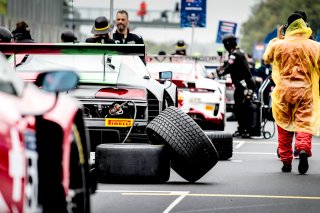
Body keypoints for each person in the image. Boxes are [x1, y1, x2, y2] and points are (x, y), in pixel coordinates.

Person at [263, 12, 320, 174]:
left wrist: (279, 38)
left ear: (288, 27)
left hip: (283, 92)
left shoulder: (279, 44)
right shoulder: (314, 46)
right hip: (306, 92)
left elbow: (267, 58)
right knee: (303, 124)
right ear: (304, 26)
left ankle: (286, 161)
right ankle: (302, 149)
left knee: (284, 126)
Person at [217, 34, 255, 138]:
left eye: (225, 43)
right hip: (243, 85)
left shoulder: (235, 54)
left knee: (244, 107)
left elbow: (229, 66)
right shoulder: (238, 52)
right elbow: (228, 65)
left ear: (228, 44)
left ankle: (246, 130)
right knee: (239, 108)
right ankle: (242, 129)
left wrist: (220, 72)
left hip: (244, 86)